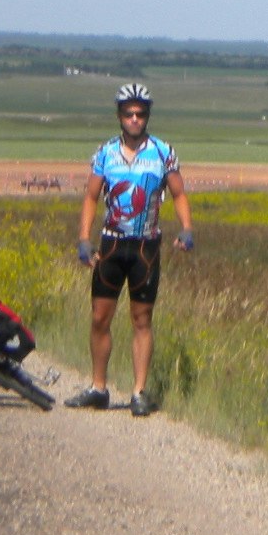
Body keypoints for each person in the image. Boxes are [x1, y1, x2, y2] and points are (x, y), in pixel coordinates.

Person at [70, 83, 193, 414]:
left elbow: (179, 193)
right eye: (129, 114)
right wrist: (84, 239)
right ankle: (98, 387)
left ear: (147, 116)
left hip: (146, 247)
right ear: (119, 116)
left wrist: (186, 228)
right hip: (111, 244)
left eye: (140, 114)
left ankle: (139, 392)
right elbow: (91, 197)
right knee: (100, 317)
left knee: (142, 318)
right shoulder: (105, 153)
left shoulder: (163, 152)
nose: (135, 119)